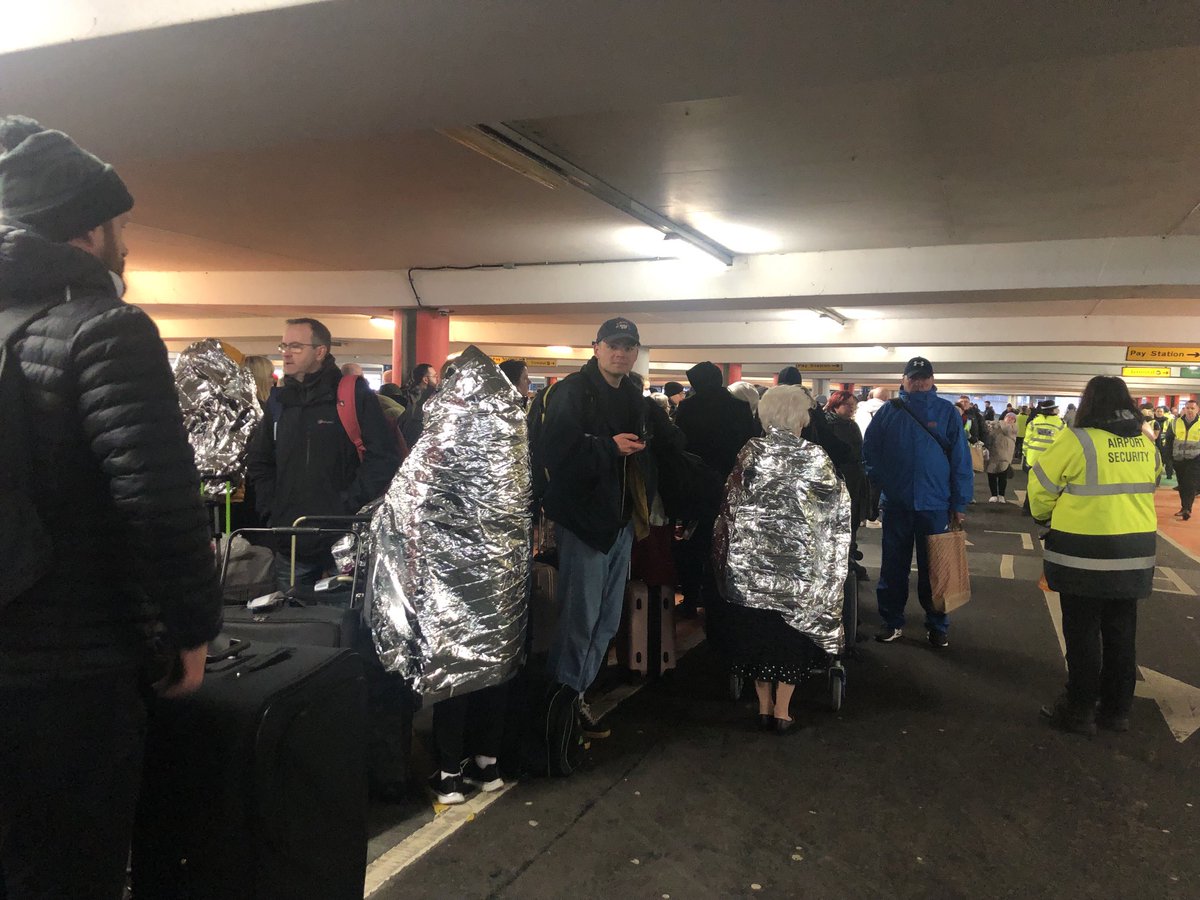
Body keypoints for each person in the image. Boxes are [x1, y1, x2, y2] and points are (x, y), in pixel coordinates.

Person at [0, 116, 221, 898]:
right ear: (89, 229)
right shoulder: (106, 329)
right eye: (121, 221)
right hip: (71, 671)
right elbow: (157, 499)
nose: (128, 238)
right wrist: (191, 631)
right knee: (71, 869)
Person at [539, 316, 655, 738]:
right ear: (596, 347)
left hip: (620, 523)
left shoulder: (633, 394)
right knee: (580, 620)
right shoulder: (571, 392)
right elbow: (554, 452)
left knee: (605, 621)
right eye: (614, 345)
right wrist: (609, 447)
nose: (621, 353)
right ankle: (561, 708)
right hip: (585, 524)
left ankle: (577, 698)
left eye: (629, 347)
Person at [1030, 376, 1161, 735]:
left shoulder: (1076, 439)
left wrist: (1045, 517)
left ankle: (1079, 710)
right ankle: (1117, 711)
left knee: (1083, 632)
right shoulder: (1145, 443)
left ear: (1089, 402)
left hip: (1082, 553)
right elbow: (1155, 480)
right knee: (1121, 631)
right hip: (1134, 552)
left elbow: (1040, 485)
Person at [715, 385, 850, 733]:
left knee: (759, 632)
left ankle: (762, 706)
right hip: (799, 568)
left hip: (751, 566)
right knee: (790, 634)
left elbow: (730, 505)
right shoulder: (815, 457)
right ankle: (782, 710)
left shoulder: (751, 452)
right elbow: (835, 511)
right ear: (798, 417)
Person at [247, 317, 400, 591]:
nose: (286, 352)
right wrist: (273, 511)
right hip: (291, 539)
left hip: (343, 539)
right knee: (290, 623)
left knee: (342, 625)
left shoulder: (352, 395)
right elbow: (261, 461)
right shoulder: (279, 402)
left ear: (320, 351)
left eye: (296, 346)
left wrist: (348, 506)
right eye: (284, 345)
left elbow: (383, 458)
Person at [862, 356, 973, 648]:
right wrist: (885, 480)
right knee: (892, 567)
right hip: (898, 503)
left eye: (924, 377)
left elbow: (960, 460)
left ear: (932, 380)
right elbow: (870, 451)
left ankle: (937, 625)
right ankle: (892, 621)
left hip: (935, 504)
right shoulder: (889, 412)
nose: (919, 382)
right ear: (904, 380)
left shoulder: (947, 413)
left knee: (937, 567)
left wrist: (959, 504)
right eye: (913, 377)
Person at [674, 361, 757, 618]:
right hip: (730, 484)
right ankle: (723, 598)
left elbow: (680, 447)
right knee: (728, 543)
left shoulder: (688, 408)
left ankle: (690, 598)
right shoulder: (740, 408)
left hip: (696, 485)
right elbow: (749, 447)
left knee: (693, 543)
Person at [824, 390, 869, 580]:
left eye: (853, 406)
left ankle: (849, 555)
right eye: (848, 405)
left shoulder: (851, 425)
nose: (852, 409)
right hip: (838, 478)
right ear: (836, 405)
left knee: (852, 519)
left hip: (854, 478)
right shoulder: (828, 426)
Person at [1023, 400, 1065, 513]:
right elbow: (1063, 443)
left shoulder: (1034, 422)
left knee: (1031, 484)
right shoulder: (1060, 424)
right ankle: (1045, 510)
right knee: (1049, 485)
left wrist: (1025, 455)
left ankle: (1027, 508)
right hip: (1050, 459)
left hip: (1033, 458)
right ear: (1052, 410)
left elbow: (1027, 441)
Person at [1170, 398, 1200, 522]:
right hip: (1179, 459)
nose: (1189, 411)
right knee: (1182, 485)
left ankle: (1187, 508)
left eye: (1192, 408)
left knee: (1190, 484)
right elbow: (1169, 441)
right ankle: (1184, 507)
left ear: (1197, 410)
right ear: (1184, 409)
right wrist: (1169, 458)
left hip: (1195, 459)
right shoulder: (1175, 423)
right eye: (1187, 408)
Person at [399, 362, 439, 446]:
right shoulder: (423, 399)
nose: (437, 380)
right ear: (425, 379)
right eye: (435, 376)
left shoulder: (406, 394)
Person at [983, 412, 1019, 502]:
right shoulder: (996, 425)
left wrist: (999, 422)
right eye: (1008, 417)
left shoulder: (1013, 428)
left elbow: (1006, 429)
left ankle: (1001, 495)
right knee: (991, 474)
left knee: (1002, 475)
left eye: (1012, 418)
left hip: (1005, 455)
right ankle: (994, 495)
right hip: (993, 453)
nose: (1010, 419)